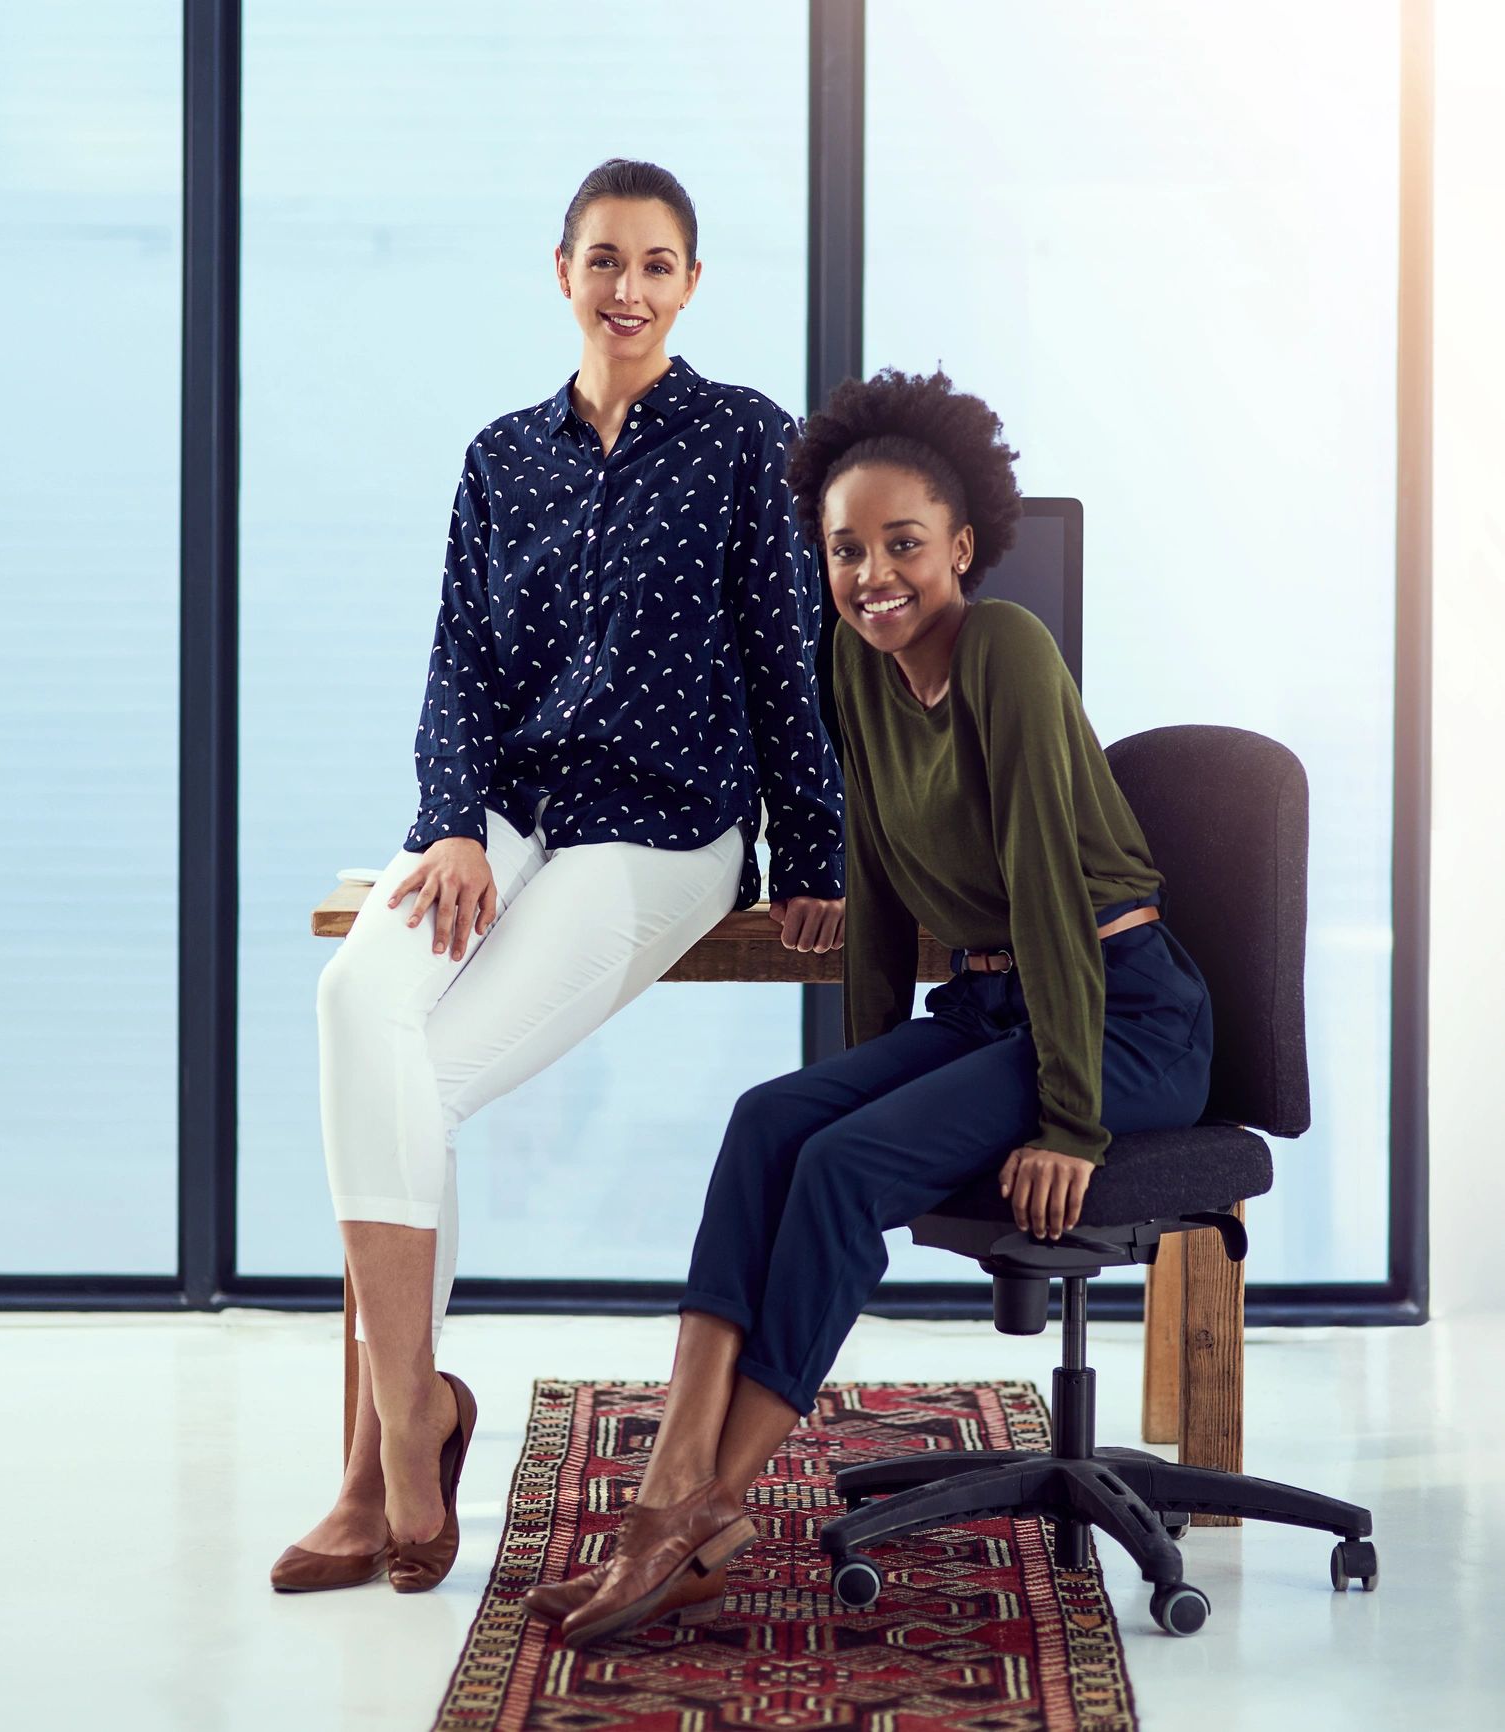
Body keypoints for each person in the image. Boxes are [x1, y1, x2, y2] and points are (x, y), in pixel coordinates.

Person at [526, 368, 1215, 1648]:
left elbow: (1051, 893)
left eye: (903, 544)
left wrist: (1070, 1121)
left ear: (961, 545)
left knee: (841, 1170)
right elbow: (880, 879)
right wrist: (880, 1066)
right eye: (847, 550)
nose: (873, 573)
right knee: (768, 1123)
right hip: (993, 1009)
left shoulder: (1007, 650)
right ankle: (666, 1484)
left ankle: (705, 1520)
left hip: (1121, 1017)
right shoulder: (851, 660)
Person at [270, 160, 846, 1596]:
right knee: (359, 1005)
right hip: (511, 810)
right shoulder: (500, 456)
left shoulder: (745, 444)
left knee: (426, 1078)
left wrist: (813, 858)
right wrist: (451, 822)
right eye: (605, 260)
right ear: (562, 272)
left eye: (657, 264)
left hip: (664, 831)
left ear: (693, 283)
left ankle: (384, 1463)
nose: (629, 288)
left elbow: (791, 666)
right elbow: (458, 660)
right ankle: (411, 1431)